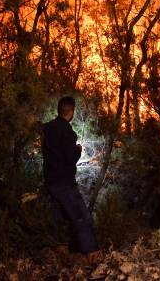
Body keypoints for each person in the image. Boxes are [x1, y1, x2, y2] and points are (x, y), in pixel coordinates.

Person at [42, 96, 99, 262]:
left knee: (59, 217)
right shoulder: (68, 132)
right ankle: (92, 254)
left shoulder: (47, 128)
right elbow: (70, 158)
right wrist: (78, 150)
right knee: (82, 217)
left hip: (50, 181)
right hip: (64, 183)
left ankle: (62, 252)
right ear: (71, 112)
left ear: (59, 110)